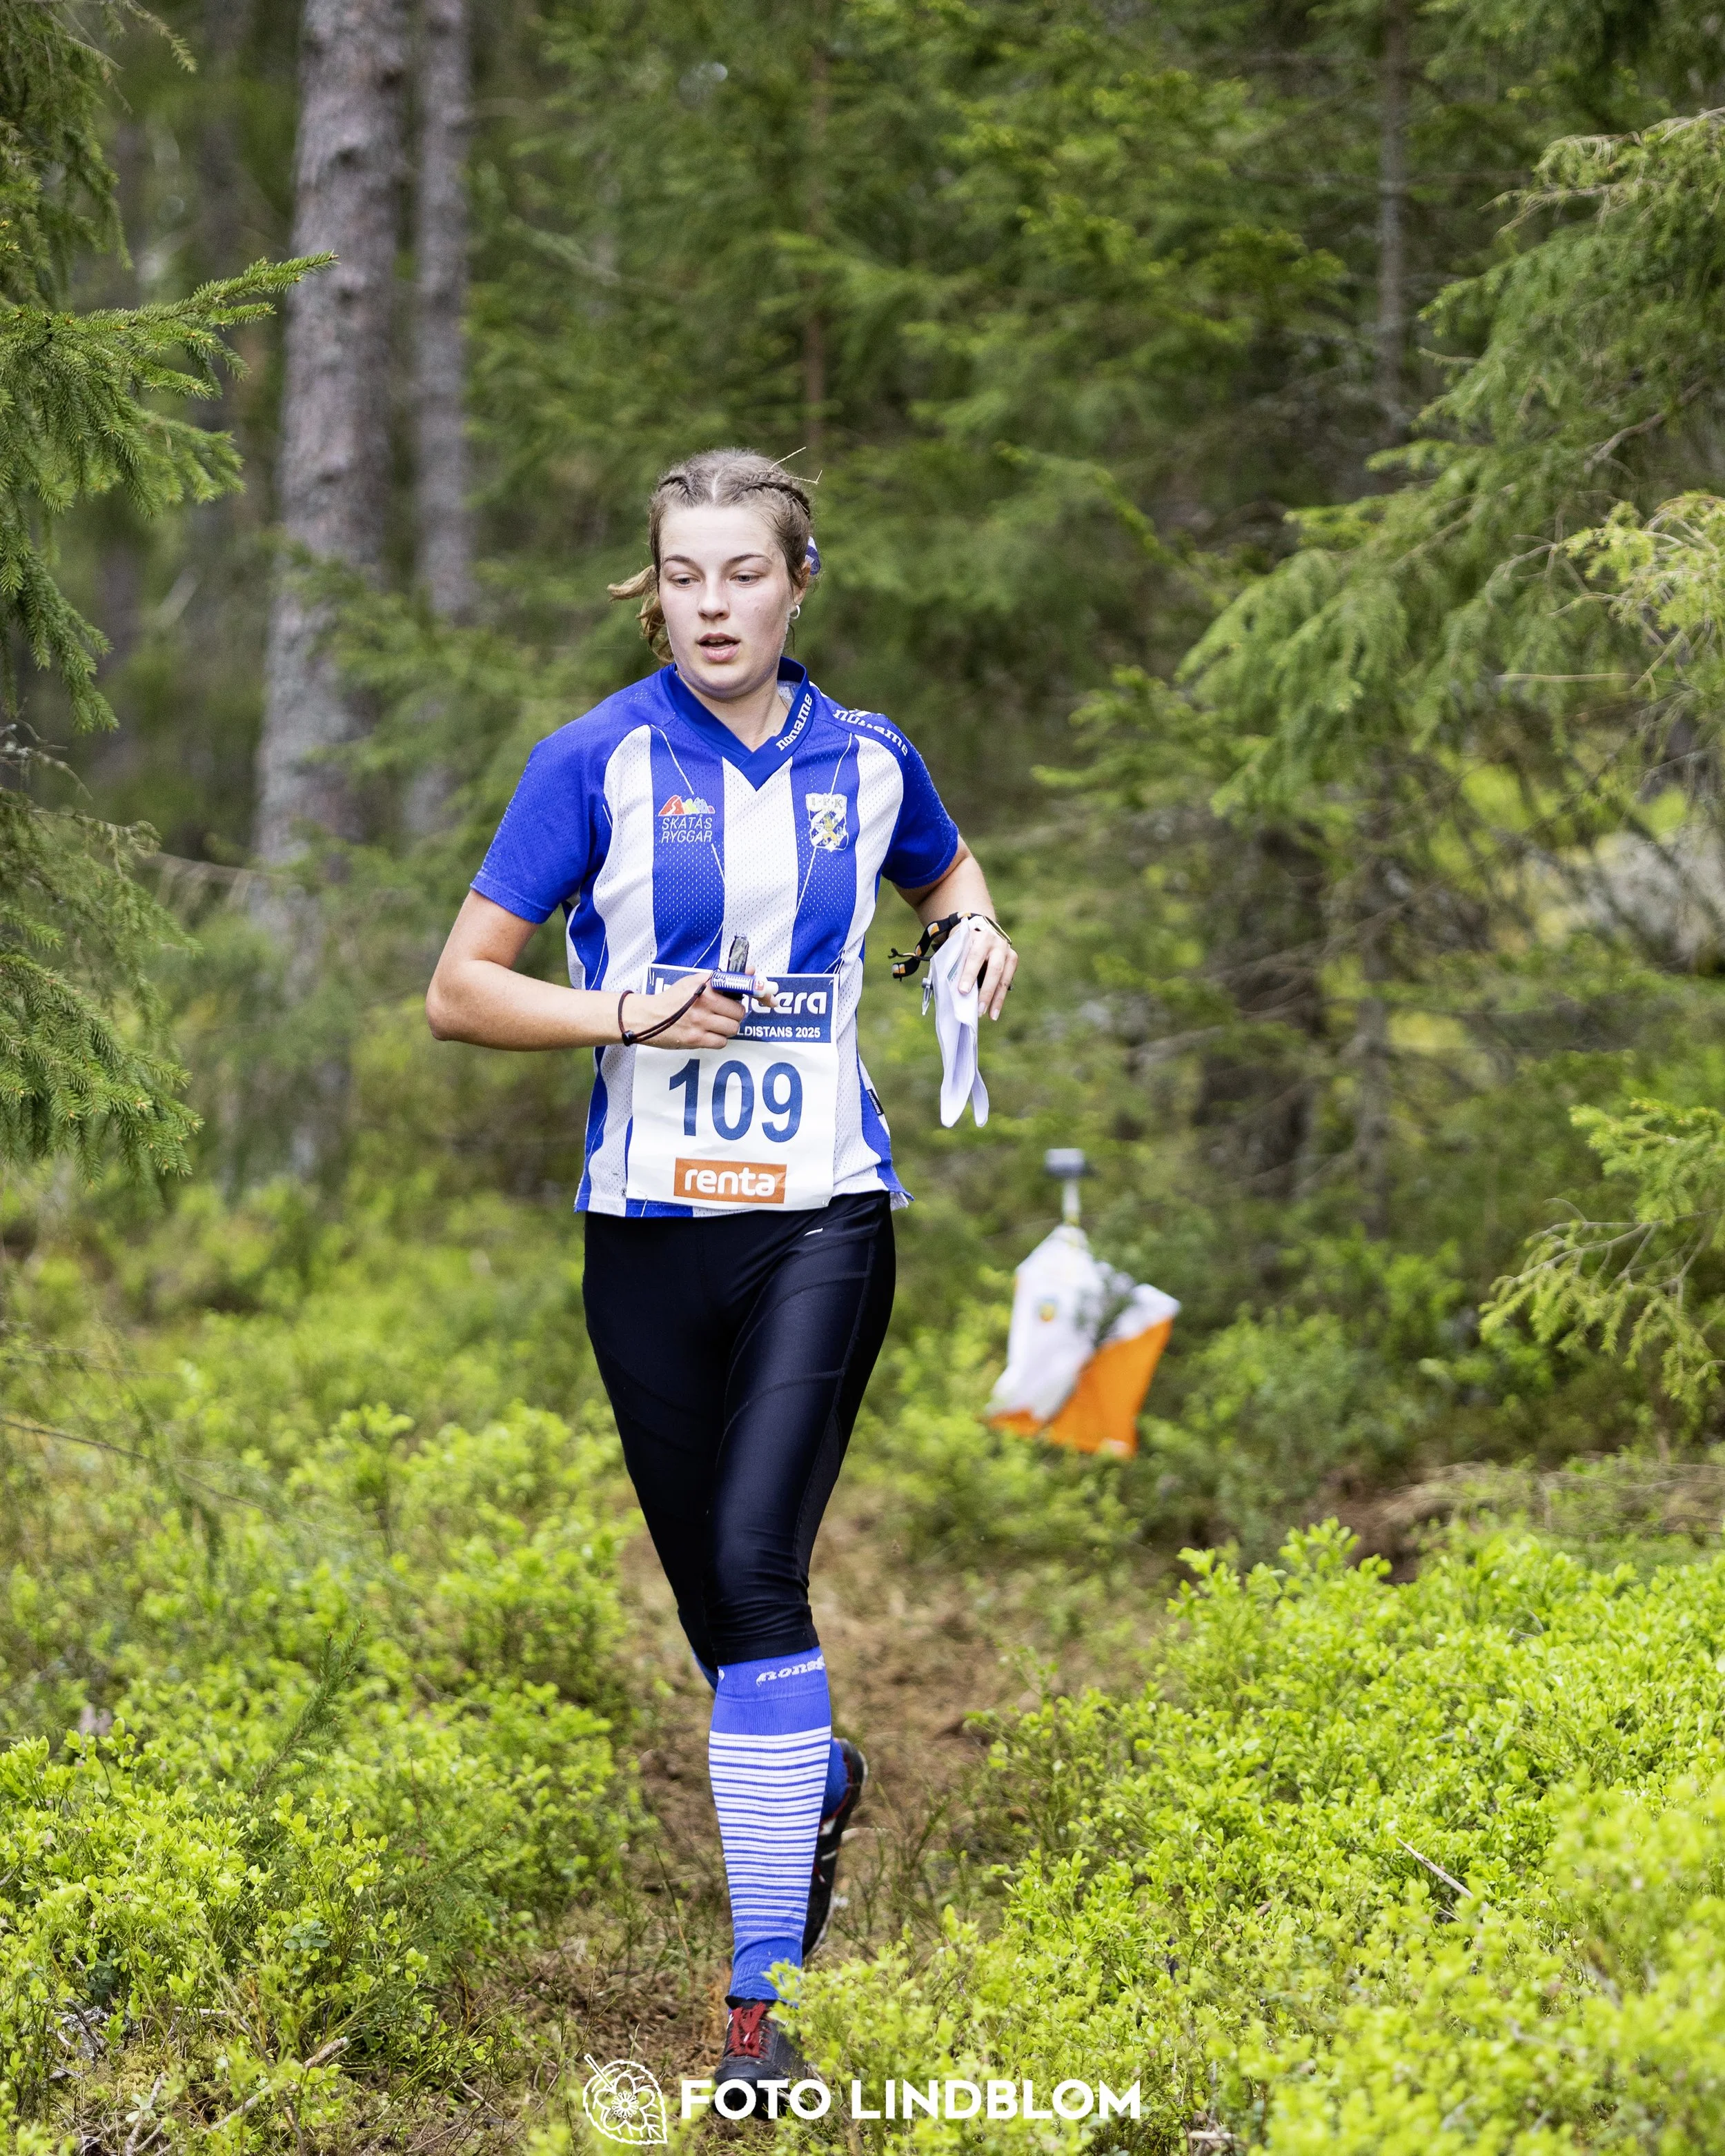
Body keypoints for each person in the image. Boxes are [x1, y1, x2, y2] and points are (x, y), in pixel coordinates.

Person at [425, 448, 1015, 2090]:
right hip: (645, 1237)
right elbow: (460, 991)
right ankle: (805, 1772)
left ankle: (766, 1993)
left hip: (823, 1213)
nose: (709, 606)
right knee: (715, 1608)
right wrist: (624, 1007)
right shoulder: (592, 761)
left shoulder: (873, 759)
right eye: (680, 576)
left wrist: (971, 936)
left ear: (796, 582)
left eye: (740, 575)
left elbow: (949, 877)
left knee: (759, 1563)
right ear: (651, 589)